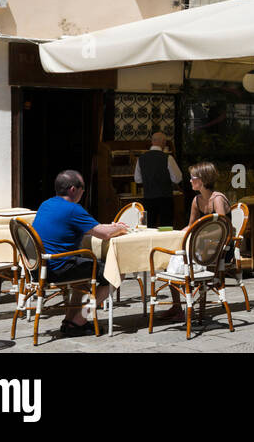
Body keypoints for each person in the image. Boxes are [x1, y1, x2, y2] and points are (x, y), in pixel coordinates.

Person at [31, 169, 129, 336]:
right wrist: (119, 228)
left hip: (39, 268)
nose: (84, 192)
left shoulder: (46, 204)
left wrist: (110, 228)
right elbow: (104, 234)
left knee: (82, 278)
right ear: (73, 189)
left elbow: (73, 228)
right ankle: (80, 320)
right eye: (83, 188)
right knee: (117, 272)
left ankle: (69, 322)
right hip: (59, 267)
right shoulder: (73, 209)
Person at [159, 162, 232, 323]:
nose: (190, 181)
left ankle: (184, 305)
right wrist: (181, 232)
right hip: (203, 247)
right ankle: (178, 306)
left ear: (203, 180)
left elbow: (224, 228)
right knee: (170, 260)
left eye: (193, 178)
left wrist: (199, 235)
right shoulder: (196, 200)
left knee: (179, 262)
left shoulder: (217, 199)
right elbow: (191, 226)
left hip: (219, 251)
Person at [134, 131, 182, 227]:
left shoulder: (141, 158)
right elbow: (177, 178)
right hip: (165, 199)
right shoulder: (168, 158)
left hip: (148, 199)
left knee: (148, 227)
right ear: (163, 142)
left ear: (152, 142)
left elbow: (138, 180)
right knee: (166, 227)